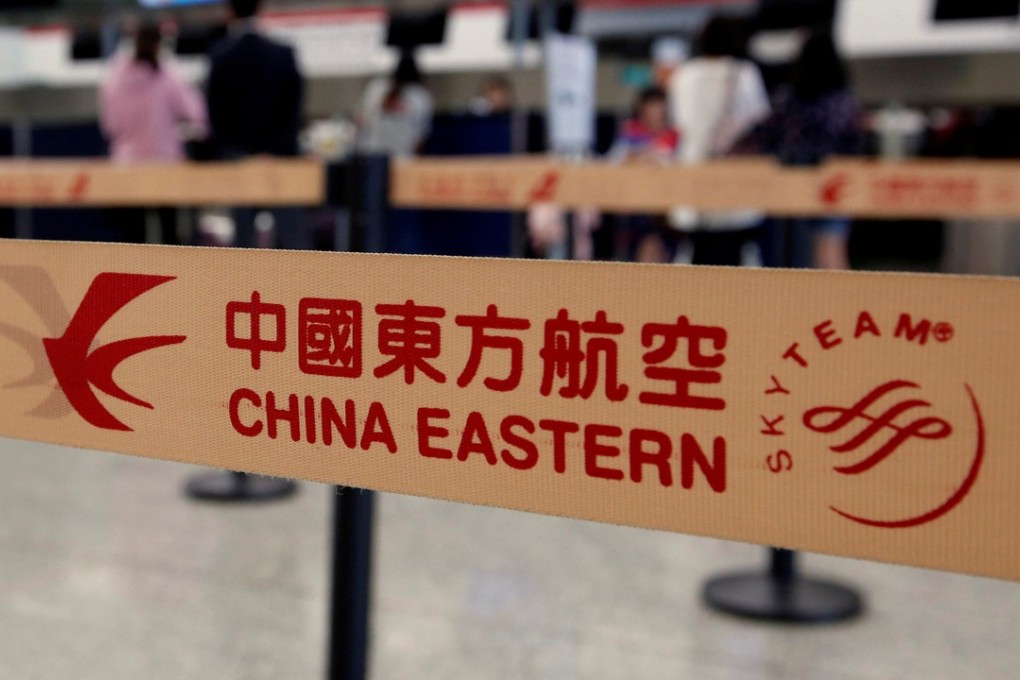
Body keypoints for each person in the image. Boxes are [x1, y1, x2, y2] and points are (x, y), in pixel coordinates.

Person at [739, 31, 863, 270]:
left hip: (790, 183)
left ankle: (796, 304)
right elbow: (852, 142)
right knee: (831, 249)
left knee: (790, 255)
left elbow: (764, 134)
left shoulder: (788, 97)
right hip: (834, 182)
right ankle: (837, 305)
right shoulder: (843, 100)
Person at [668, 16, 770, 265]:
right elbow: (759, 119)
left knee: (698, 256)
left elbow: (679, 122)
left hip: (694, 175)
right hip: (733, 180)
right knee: (733, 259)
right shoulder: (745, 73)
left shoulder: (684, 75)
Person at [206, 0, 308, 249]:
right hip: (280, 157)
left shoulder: (221, 56)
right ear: (259, 9)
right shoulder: (283, 53)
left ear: (230, 12)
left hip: (238, 156)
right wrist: (273, 149)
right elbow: (293, 110)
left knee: (243, 243)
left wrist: (243, 152)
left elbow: (215, 115)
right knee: (291, 240)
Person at [99, 22, 207, 244]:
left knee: (133, 240)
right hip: (164, 164)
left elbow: (110, 126)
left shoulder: (114, 77)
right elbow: (196, 112)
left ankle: (133, 279)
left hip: (128, 167)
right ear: (159, 45)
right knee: (169, 238)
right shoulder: (168, 74)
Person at [608, 86, 681, 263]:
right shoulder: (630, 133)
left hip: (668, 206)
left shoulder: (676, 135)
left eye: (660, 107)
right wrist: (640, 157)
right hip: (636, 206)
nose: (656, 112)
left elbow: (680, 165)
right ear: (642, 110)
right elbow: (613, 163)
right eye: (651, 107)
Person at [358, 52, 434, 158]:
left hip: (397, 157)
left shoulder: (419, 96)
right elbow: (362, 121)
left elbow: (420, 138)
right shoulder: (377, 89)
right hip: (378, 155)